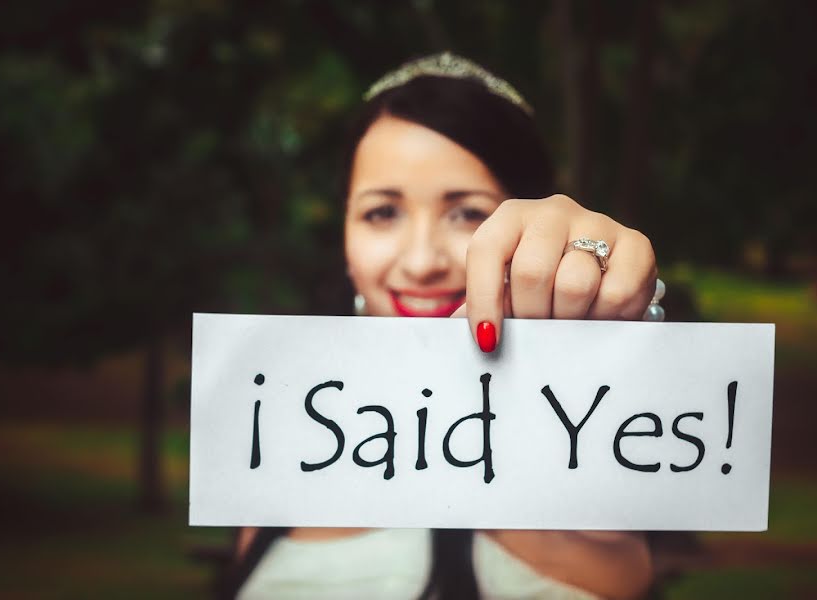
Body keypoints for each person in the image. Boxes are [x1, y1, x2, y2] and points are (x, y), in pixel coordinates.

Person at [230, 53, 659, 600]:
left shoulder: (589, 446)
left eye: (469, 213)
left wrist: (612, 296)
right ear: (344, 236)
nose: (423, 261)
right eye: (383, 212)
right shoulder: (284, 432)